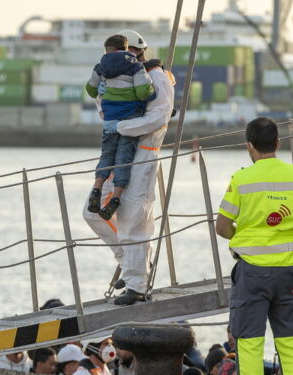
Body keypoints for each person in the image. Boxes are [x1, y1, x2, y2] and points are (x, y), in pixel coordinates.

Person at [216, 117, 293, 375]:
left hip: (252, 272)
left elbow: (222, 227)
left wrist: (247, 236)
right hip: (290, 272)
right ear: (278, 143)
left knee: (250, 344)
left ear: (249, 145)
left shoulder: (241, 179)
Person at [82, 29, 176, 306]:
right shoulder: (113, 75)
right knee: (94, 212)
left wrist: (123, 127)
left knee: (134, 220)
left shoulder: (157, 77)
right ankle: (129, 263)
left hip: (143, 156)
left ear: (134, 52)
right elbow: (102, 106)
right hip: (117, 156)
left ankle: (136, 284)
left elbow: (158, 116)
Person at [85, 33, 155, 220]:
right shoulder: (135, 66)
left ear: (107, 50)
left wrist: (103, 86)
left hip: (109, 120)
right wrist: (150, 89)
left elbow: (91, 90)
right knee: (124, 158)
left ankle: (96, 190)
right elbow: (143, 93)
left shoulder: (100, 67)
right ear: (126, 48)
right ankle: (115, 199)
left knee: (107, 155)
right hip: (129, 121)